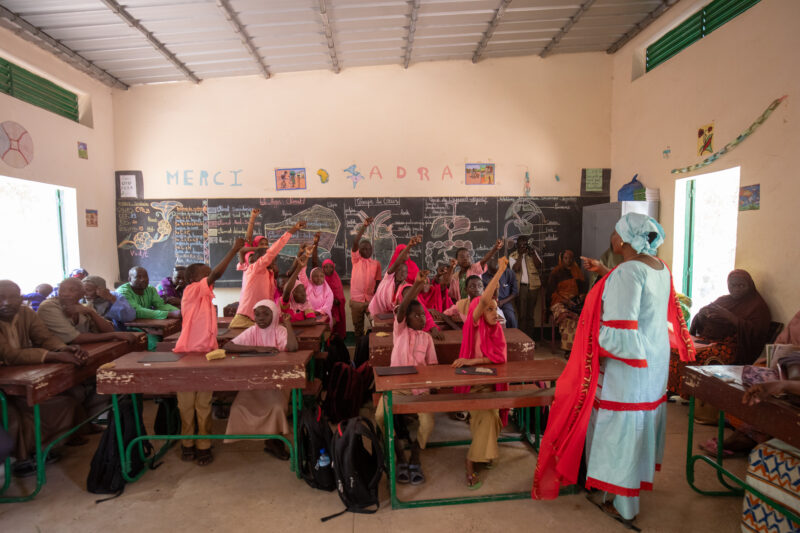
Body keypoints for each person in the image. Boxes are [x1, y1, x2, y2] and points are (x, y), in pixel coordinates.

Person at [533, 213, 695, 531]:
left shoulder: (628, 273)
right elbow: (641, 296)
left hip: (629, 367)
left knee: (617, 428)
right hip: (652, 362)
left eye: (614, 234)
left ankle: (622, 503)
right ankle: (621, 489)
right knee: (637, 425)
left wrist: (592, 345)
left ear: (620, 240)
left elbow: (619, 329)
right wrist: (607, 272)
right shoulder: (659, 267)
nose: (612, 238)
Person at [0, 280, 84, 476]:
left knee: (63, 403)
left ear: (20, 298)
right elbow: (9, 355)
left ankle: (39, 449)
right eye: (1, 298)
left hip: (16, 377)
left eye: (12, 298)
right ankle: (20, 460)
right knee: (10, 412)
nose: (6, 303)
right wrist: (53, 355)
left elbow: (44, 337)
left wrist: (63, 348)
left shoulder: (26, 313)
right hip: (5, 383)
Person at [173, 237, 244, 466]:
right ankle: (187, 443)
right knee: (186, 404)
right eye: (206, 274)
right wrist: (234, 248)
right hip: (187, 355)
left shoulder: (205, 294)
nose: (211, 277)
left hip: (205, 354)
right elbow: (216, 275)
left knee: (203, 404)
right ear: (194, 279)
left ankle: (203, 444)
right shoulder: (192, 290)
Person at [451, 256, 511, 489]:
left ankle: (485, 453)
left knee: (494, 414)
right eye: (489, 309)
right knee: (486, 416)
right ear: (478, 311)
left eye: (496, 309)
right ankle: (471, 460)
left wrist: (471, 359)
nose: (495, 313)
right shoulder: (473, 323)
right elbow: (484, 297)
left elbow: (498, 358)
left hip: (490, 380)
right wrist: (500, 272)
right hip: (472, 382)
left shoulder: (495, 330)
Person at [374, 270, 437, 485]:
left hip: (419, 390)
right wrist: (417, 286)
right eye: (416, 315)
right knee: (381, 417)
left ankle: (416, 455)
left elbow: (432, 367)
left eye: (423, 315)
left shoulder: (427, 338)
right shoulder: (399, 331)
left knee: (427, 423)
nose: (421, 319)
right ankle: (399, 453)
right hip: (396, 387)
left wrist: (431, 389)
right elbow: (401, 310)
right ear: (407, 318)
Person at [667, 269, 771, 396]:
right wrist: (703, 314)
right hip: (709, 340)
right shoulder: (724, 300)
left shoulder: (757, 306)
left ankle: (698, 396)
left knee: (703, 356)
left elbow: (756, 332)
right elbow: (706, 313)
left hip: (732, 346)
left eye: (741, 285)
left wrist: (730, 317)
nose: (736, 289)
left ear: (750, 286)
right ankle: (676, 388)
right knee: (678, 349)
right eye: (732, 285)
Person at [224, 299, 299, 460]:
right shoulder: (253, 331)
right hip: (255, 383)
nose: (261, 318)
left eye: (266, 314)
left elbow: (292, 348)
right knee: (238, 407)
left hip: (278, 382)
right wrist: (257, 347)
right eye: (257, 314)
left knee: (276, 407)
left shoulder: (279, 330)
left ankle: (274, 442)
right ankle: (265, 438)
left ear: (275, 314)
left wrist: (288, 325)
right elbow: (228, 346)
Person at [230, 220, 306, 329]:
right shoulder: (255, 268)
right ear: (262, 259)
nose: (273, 261)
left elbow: (269, 299)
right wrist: (293, 230)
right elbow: (273, 250)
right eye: (271, 259)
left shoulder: (269, 274)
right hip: (245, 320)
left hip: (260, 321)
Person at [38, 278, 141, 346]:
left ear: (81, 293)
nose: (65, 294)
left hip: (81, 350)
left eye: (72, 290)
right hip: (57, 353)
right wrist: (115, 335)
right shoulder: (49, 307)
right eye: (62, 290)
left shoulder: (83, 307)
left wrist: (91, 312)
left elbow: (109, 329)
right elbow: (75, 338)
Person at [369, 237, 420, 318]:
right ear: (395, 271)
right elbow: (396, 264)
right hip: (377, 310)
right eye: (399, 271)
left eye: (405, 272)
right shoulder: (389, 276)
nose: (402, 274)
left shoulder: (404, 286)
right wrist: (409, 245)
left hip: (391, 313)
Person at [349, 217, 382, 338]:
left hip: (370, 300)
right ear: (359, 250)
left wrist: (377, 296)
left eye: (368, 249)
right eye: (363, 249)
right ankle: (359, 352)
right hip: (356, 301)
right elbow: (355, 242)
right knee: (358, 327)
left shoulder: (376, 264)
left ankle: (371, 349)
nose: (366, 250)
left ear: (372, 250)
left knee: (375, 324)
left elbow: (378, 280)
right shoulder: (356, 260)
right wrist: (364, 226)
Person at [547, 250, 586, 352]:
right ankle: (569, 350)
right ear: (561, 259)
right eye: (565, 258)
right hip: (560, 302)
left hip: (575, 303)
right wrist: (565, 301)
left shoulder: (577, 272)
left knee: (580, 319)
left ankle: (578, 349)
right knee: (566, 318)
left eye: (570, 258)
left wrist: (581, 296)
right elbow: (552, 293)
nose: (568, 261)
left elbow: (582, 290)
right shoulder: (556, 273)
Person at [312, 232, 345, 338]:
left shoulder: (336, 279)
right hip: (322, 308)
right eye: (325, 267)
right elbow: (314, 264)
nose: (328, 269)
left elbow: (340, 296)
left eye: (330, 266)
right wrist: (315, 245)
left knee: (335, 330)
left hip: (335, 309)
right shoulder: (320, 277)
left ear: (333, 267)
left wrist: (337, 301)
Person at [508, 235, 543, 336]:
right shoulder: (513, 256)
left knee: (530, 314)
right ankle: (522, 338)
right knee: (522, 315)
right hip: (520, 287)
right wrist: (521, 255)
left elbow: (539, 265)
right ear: (517, 245)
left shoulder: (532, 253)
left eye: (525, 244)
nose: (523, 246)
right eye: (521, 245)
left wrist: (532, 254)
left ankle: (530, 338)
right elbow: (515, 269)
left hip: (533, 286)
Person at [117, 267, 181, 320]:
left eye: (145, 276)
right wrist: (170, 314)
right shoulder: (123, 292)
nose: (143, 280)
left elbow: (161, 305)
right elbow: (137, 311)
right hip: (126, 328)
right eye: (138, 277)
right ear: (129, 279)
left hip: (145, 324)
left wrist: (179, 312)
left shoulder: (150, 289)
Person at [281, 251, 318, 325]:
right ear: (293, 293)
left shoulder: (306, 304)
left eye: (304, 291)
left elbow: (312, 321)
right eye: (300, 293)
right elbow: (287, 291)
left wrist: (291, 324)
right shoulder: (287, 303)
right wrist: (298, 268)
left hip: (301, 333)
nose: (304, 294)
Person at [482, 256, 518, 328]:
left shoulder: (509, 273)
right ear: (487, 268)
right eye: (491, 274)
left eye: (496, 273)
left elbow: (515, 292)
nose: (494, 276)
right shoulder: (483, 276)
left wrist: (502, 302)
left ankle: (513, 337)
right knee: (488, 319)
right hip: (489, 303)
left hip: (505, 302)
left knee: (510, 317)